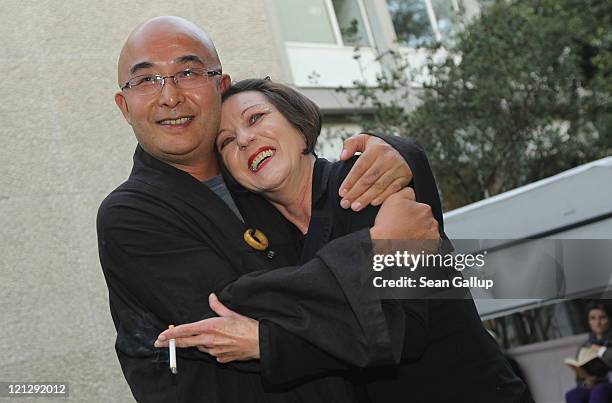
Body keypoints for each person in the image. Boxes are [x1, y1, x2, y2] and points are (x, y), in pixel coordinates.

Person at [98, 16, 437, 402]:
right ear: (124, 106)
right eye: (146, 80)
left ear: (220, 87)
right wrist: (377, 248)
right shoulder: (129, 216)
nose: (170, 96)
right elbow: (230, 308)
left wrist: (400, 153)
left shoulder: (257, 184)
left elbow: (414, 309)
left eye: (188, 72)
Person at [157, 78, 534, 403]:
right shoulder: (275, 245)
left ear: (299, 126)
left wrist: (267, 341)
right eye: (225, 142)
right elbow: (248, 300)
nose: (243, 138)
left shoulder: (366, 183)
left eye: (255, 118)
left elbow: (403, 327)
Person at [566, 302, 612, 403]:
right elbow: (579, 378)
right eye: (593, 318)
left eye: (602, 317)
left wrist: (600, 351)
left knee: (599, 391)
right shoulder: (586, 346)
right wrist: (585, 383)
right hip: (595, 385)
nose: (597, 322)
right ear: (588, 321)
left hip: (608, 385)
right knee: (573, 395)